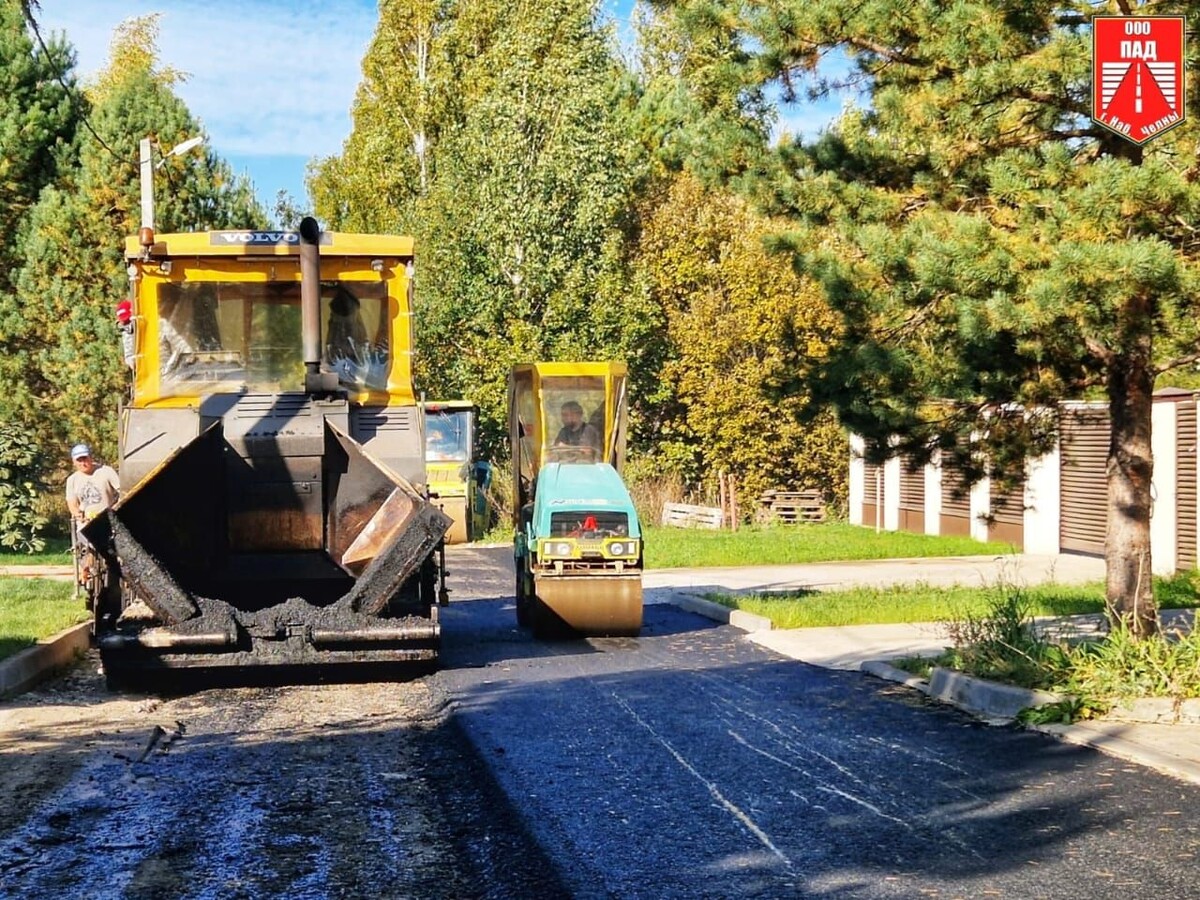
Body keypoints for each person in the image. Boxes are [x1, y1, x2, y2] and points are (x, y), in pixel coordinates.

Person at [65, 443, 120, 523]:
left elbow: (122, 492)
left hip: (109, 521)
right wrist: (77, 514)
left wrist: (116, 509)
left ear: (91, 458)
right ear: (74, 462)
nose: (83, 464)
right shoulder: (72, 480)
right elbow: (72, 504)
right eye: (79, 461)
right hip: (85, 525)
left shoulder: (106, 471)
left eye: (85, 459)